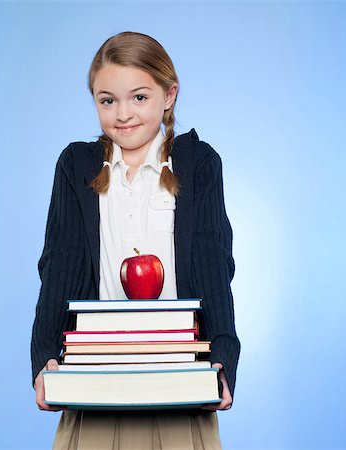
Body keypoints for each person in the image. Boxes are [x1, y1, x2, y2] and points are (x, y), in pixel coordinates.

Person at [31, 31, 240, 449]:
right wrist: (44, 356)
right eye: (107, 100)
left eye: (139, 97)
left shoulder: (198, 163)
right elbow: (59, 262)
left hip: (179, 374)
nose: (123, 113)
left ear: (169, 95)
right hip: (94, 374)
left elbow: (213, 262)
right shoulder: (76, 164)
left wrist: (222, 357)